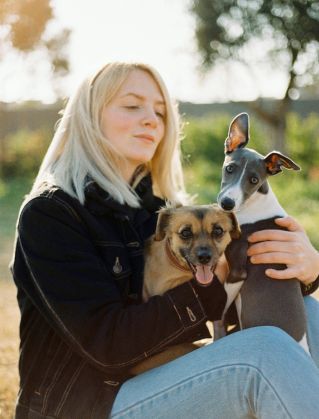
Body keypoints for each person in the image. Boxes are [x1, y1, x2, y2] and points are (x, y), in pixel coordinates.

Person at [11, 61, 319, 419]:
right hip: (89, 406)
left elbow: (248, 304)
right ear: (88, 116)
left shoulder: (156, 212)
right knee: (263, 353)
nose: (151, 120)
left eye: (160, 111)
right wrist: (212, 284)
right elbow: (107, 345)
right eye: (132, 105)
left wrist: (307, 270)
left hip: (161, 380)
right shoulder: (51, 215)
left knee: (308, 312)